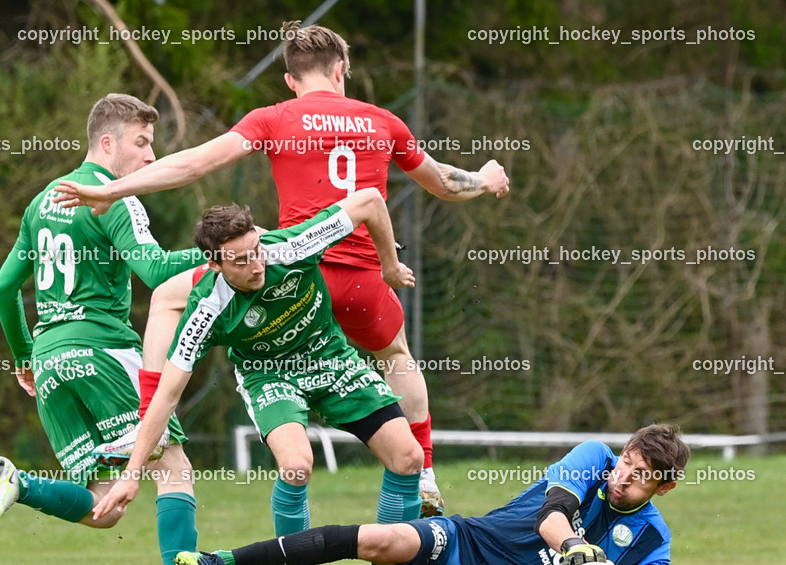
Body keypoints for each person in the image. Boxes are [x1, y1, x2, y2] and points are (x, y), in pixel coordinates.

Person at [54, 21, 510, 518]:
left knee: (167, 296)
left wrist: (112, 189)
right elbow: (444, 182)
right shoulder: (383, 121)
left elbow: (195, 164)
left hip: (289, 270)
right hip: (362, 282)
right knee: (397, 355)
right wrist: (484, 179)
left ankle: (152, 418)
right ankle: (422, 472)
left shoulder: (274, 118)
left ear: (291, 81)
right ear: (341, 70)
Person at [93, 188, 424, 565]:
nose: (256, 264)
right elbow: (167, 396)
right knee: (297, 466)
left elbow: (371, 201)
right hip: (270, 377)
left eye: (255, 250)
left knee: (409, 459)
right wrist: (132, 473)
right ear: (213, 264)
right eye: (241, 260)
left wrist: (390, 267)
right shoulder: (206, 308)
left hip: (331, 358)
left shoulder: (290, 246)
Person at [0, 93, 219, 565]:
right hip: (104, 350)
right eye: (142, 143)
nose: (151, 157)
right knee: (173, 466)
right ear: (107, 143)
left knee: (103, 503)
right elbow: (156, 271)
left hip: (50, 360)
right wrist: (223, 253)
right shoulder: (111, 198)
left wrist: (24, 356)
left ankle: (20, 485)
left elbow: (1, 289)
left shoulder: (42, 201)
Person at [174, 424, 701, 565]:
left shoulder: (653, 538)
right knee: (386, 539)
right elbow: (552, 515)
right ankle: (219, 561)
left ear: (667, 487)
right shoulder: (592, 458)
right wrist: (574, 550)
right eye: (627, 463)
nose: (624, 477)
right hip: (464, 543)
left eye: (641, 477)